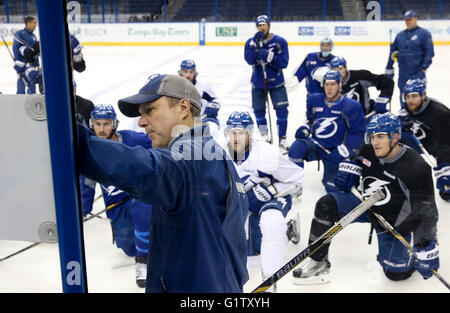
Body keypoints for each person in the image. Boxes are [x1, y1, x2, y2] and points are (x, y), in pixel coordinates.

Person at [76, 74, 249, 293]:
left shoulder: (192, 157)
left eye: (150, 110)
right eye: (140, 114)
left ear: (183, 107)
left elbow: (144, 169)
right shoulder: (214, 154)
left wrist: (76, 142)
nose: (141, 122)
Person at [292, 112, 439, 285]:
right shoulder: (369, 147)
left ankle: (408, 260)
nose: (375, 142)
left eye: (381, 136)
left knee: (395, 274)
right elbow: (358, 159)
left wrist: (425, 244)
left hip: (394, 221)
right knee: (326, 205)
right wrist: (351, 167)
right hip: (366, 204)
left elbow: (426, 210)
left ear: (395, 137)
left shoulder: (416, 166)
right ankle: (318, 261)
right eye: (372, 136)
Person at [221, 111, 303, 292]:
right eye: (232, 132)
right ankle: (288, 230)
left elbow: (298, 179)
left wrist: (272, 190)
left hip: (267, 200)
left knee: (272, 223)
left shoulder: (266, 153)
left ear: (250, 133)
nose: (236, 137)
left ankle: (269, 282)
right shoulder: (218, 153)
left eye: (241, 132)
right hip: (239, 203)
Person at [79, 104, 152, 288]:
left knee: (141, 207)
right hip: (117, 210)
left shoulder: (133, 139)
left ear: (115, 124)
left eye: (106, 123)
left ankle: (143, 262)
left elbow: (159, 145)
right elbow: (86, 189)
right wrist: (79, 212)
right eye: (98, 124)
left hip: (138, 197)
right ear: (91, 124)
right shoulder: (89, 154)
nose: (102, 129)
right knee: (128, 248)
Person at [288, 70, 366, 193]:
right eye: (327, 84)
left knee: (333, 188)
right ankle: (295, 186)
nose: (329, 88)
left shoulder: (351, 106)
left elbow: (358, 132)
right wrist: (306, 128)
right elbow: (310, 120)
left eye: (333, 84)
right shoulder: (314, 100)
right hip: (317, 144)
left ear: (340, 85)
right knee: (296, 148)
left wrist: (345, 150)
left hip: (336, 151)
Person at [244, 15, 290, 151]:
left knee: (282, 111)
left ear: (269, 25)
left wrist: (270, 56)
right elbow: (250, 61)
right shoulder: (250, 43)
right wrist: (256, 48)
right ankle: (264, 136)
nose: (261, 27)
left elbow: (284, 63)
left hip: (276, 83)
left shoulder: (279, 42)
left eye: (264, 25)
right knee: (259, 112)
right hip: (258, 83)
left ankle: (282, 139)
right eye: (259, 25)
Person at [399, 79, 450, 202]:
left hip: (443, 145)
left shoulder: (440, 113)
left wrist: (444, 168)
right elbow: (399, 123)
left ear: (423, 96)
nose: (410, 100)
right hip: (423, 142)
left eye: (415, 96)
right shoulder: (407, 108)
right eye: (407, 96)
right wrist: (400, 125)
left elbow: (445, 144)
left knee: (447, 185)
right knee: (394, 138)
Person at [385, 10, 434, 108]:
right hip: (403, 74)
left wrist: (424, 67)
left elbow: (429, 52)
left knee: (418, 99)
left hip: (417, 74)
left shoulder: (424, 34)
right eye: (406, 20)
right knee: (404, 98)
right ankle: (405, 120)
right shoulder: (400, 36)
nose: (408, 22)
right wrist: (389, 67)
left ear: (416, 19)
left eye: (410, 19)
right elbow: (392, 53)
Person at [330, 56, 394, 116]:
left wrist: (382, 99)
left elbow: (387, 81)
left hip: (366, 117)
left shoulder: (359, 76)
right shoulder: (328, 83)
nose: (338, 73)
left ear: (346, 68)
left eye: (340, 69)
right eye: (335, 70)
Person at [12, 16, 42, 94]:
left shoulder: (33, 36)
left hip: (31, 66)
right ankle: (19, 102)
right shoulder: (20, 34)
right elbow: (15, 47)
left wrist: (37, 65)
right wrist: (18, 61)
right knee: (21, 87)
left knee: (32, 89)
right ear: (28, 23)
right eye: (33, 23)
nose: (35, 25)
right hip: (23, 65)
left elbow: (35, 52)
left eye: (35, 23)